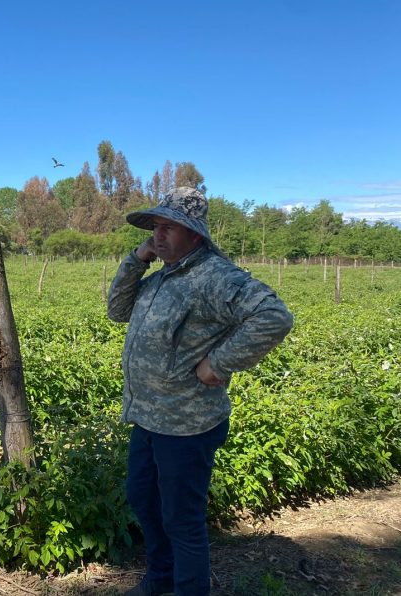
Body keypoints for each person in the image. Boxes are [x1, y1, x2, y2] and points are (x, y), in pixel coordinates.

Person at [107, 187, 293, 596]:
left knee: (181, 519)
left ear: (195, 235)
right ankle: (160, 577)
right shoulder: (163, 276)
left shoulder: (214, 276)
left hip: (187, 424)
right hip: (149, 417)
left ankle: (189, 589)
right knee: (143, 498)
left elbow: (274, 316)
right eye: (156, 227)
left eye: (169, 228)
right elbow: (117, 311)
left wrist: (219, 363)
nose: (159, 235)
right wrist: (137, 259)